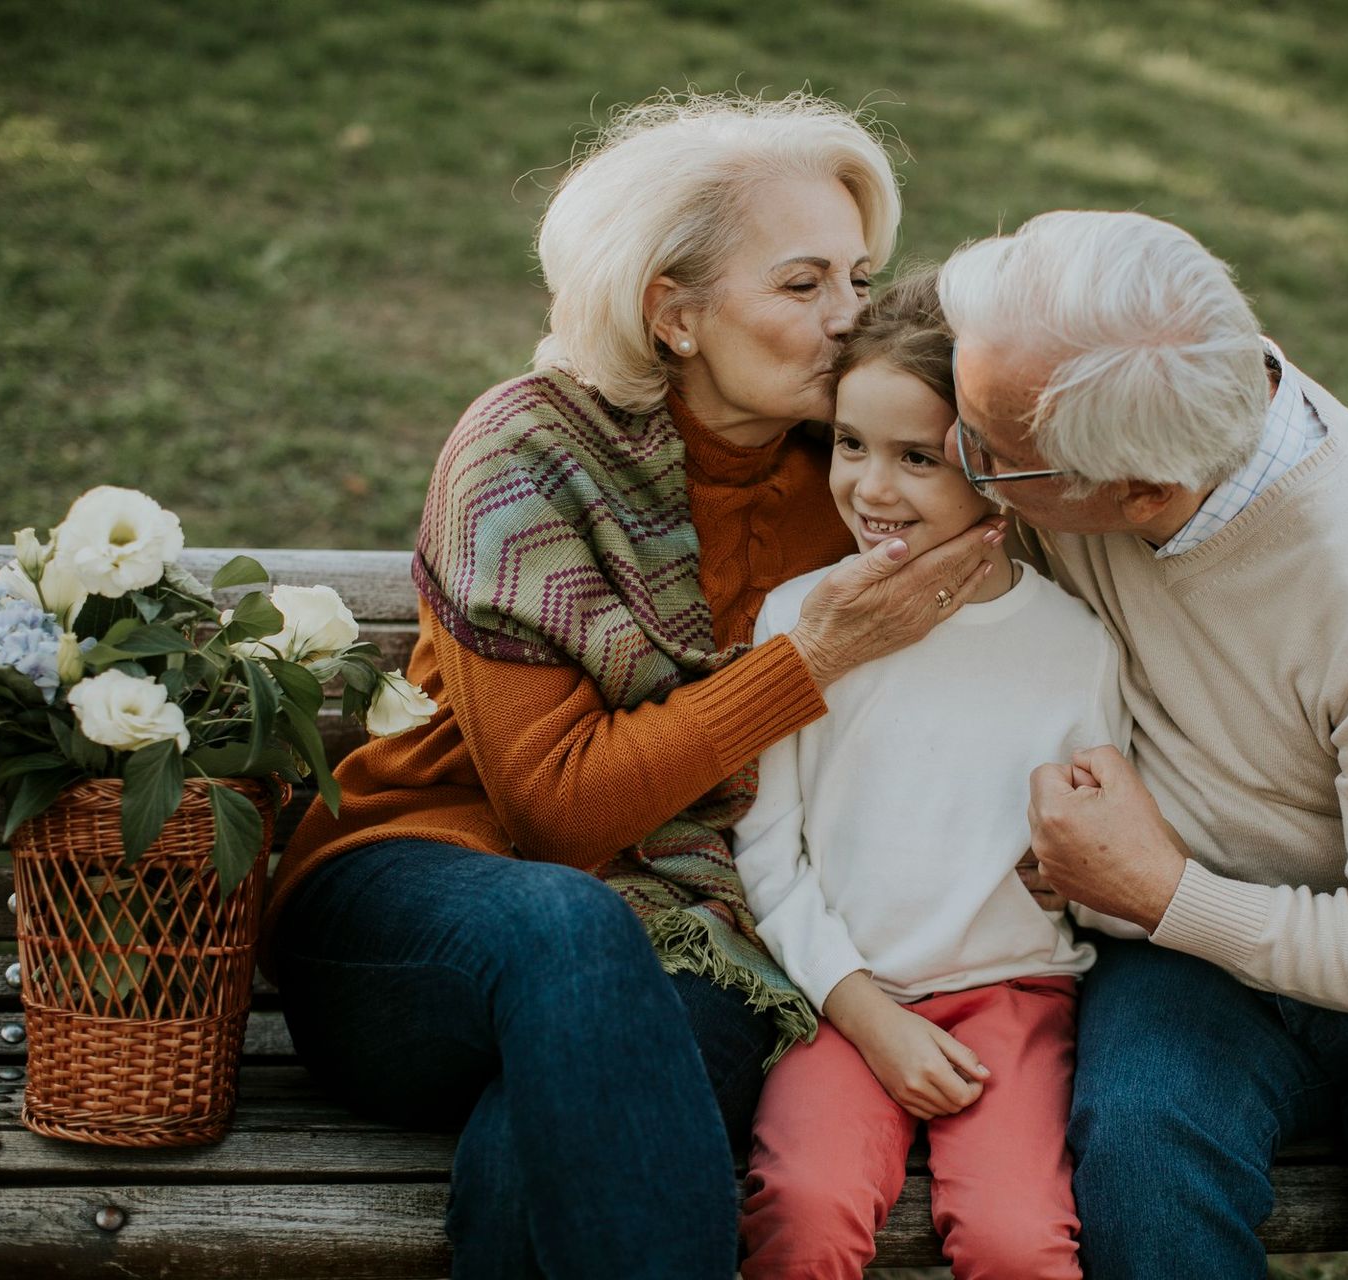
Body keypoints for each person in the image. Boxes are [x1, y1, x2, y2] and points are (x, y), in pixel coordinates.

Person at [259, 93, 1007, 1280]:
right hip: (418, 908)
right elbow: (556, 814)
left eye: (859, 281)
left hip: (696, 926)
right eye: (803, 285)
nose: (848, 320)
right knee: (575, 925)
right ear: (674, 311)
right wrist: (810, 659)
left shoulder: (859, 472)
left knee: (549, 1140)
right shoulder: (524, 456)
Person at [935, 210, 1348, 1279]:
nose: (955, 463)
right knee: (1142, 1176)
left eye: (990, 458)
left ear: (1143, 490)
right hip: (1205, 964)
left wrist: (1160, 891)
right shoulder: (1112, 431)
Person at [732, 273, 1141, 1280]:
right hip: (836, 990)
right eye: (851, 443)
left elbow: (1100, 848)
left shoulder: (1073, 645)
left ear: (997, 467)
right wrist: (863, 1010)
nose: (871, 487)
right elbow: (765, 852)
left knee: (1017, 1239)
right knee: (805, 1207)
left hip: (1010, 996)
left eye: (916, 457)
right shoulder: (798, 622)